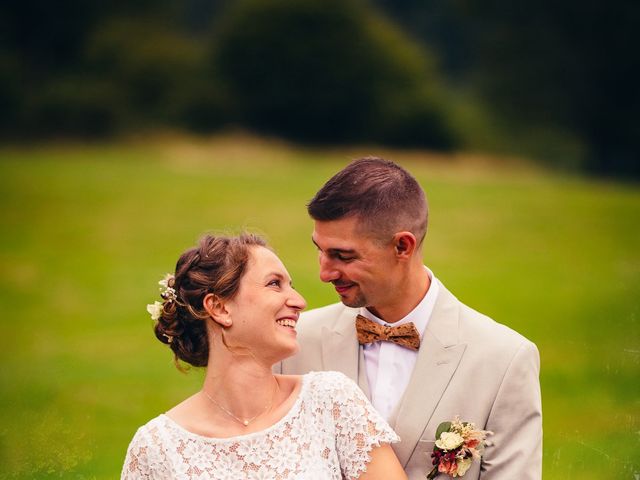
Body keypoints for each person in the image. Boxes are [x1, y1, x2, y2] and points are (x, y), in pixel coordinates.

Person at [278, 158, 542, 479]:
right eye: (320, 250)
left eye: (343, 256)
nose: (324, 272)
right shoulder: (292, 341)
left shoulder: (504, 359)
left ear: (402, 246)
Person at [121, 233, 407, 480]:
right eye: (274, 284)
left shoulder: (330, 400)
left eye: (290, 285)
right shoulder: (157, 447)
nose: (299, 301)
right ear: (219, 307)